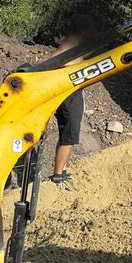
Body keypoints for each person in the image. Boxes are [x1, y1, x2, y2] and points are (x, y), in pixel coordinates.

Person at [47, 14, 93, 188]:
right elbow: (52, 61)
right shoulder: (71, 42)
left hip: (71, 92)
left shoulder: (78, 43)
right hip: (68, 94)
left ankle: (62, 170)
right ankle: (58, 175)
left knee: (68, 134)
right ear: (85, 29)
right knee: (69, 134)